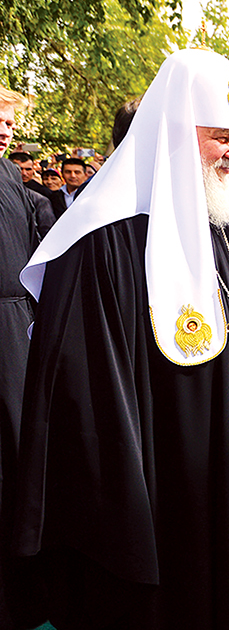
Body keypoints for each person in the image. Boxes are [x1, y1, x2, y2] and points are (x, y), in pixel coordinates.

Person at [13, 49, 229, 630]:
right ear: (175, 135)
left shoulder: (222, 225)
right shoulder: (100, 242)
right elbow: (86, 392)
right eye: (219, 138)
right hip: (161, 484)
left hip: (228, 465)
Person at [0, 86, 46, 628]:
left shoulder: (13, 177)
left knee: (17, 459)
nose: (8, 130)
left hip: (13, 334)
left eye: (12, 122)